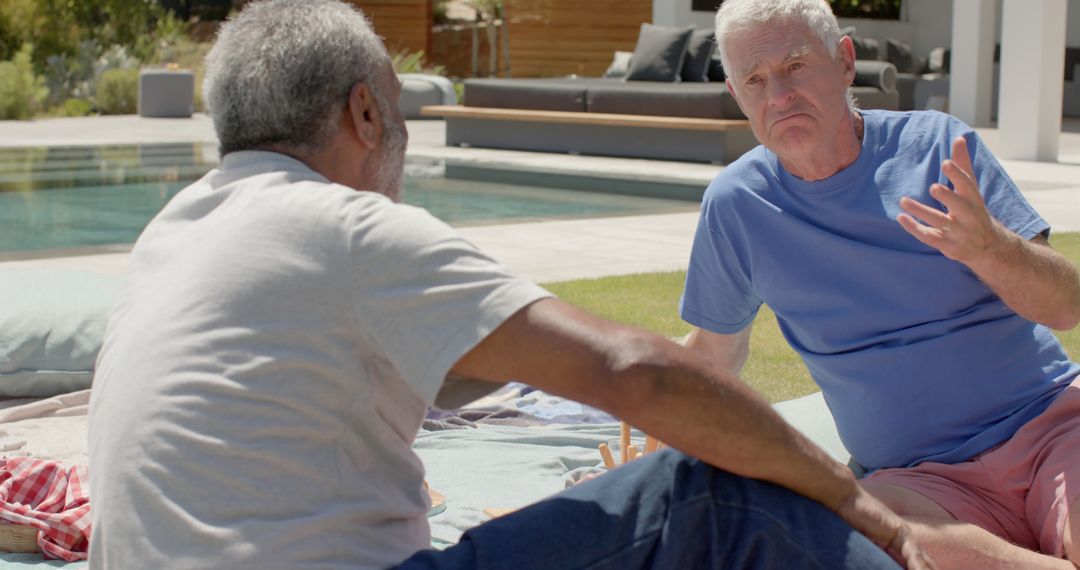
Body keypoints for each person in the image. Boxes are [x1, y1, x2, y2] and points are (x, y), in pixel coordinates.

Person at [85, 1, 931, 569]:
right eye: (399, 116)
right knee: (705, 493)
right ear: (366, 115)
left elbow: (450, 369)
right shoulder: (343, 226)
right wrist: (877, 515)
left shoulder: (171, 235)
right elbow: (639, 372)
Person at [680, 0, 1080, 568]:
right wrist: (653, 430)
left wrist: (992, 248)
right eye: (755, 79)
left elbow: (1065, 304)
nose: (779, 96)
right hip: (917, 482)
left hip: (1049, 431)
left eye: (796, 66)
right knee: (828, 526)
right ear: (735, 93)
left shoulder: (940, 148)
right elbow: (715, 356)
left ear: (844, 61)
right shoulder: (738, 205)